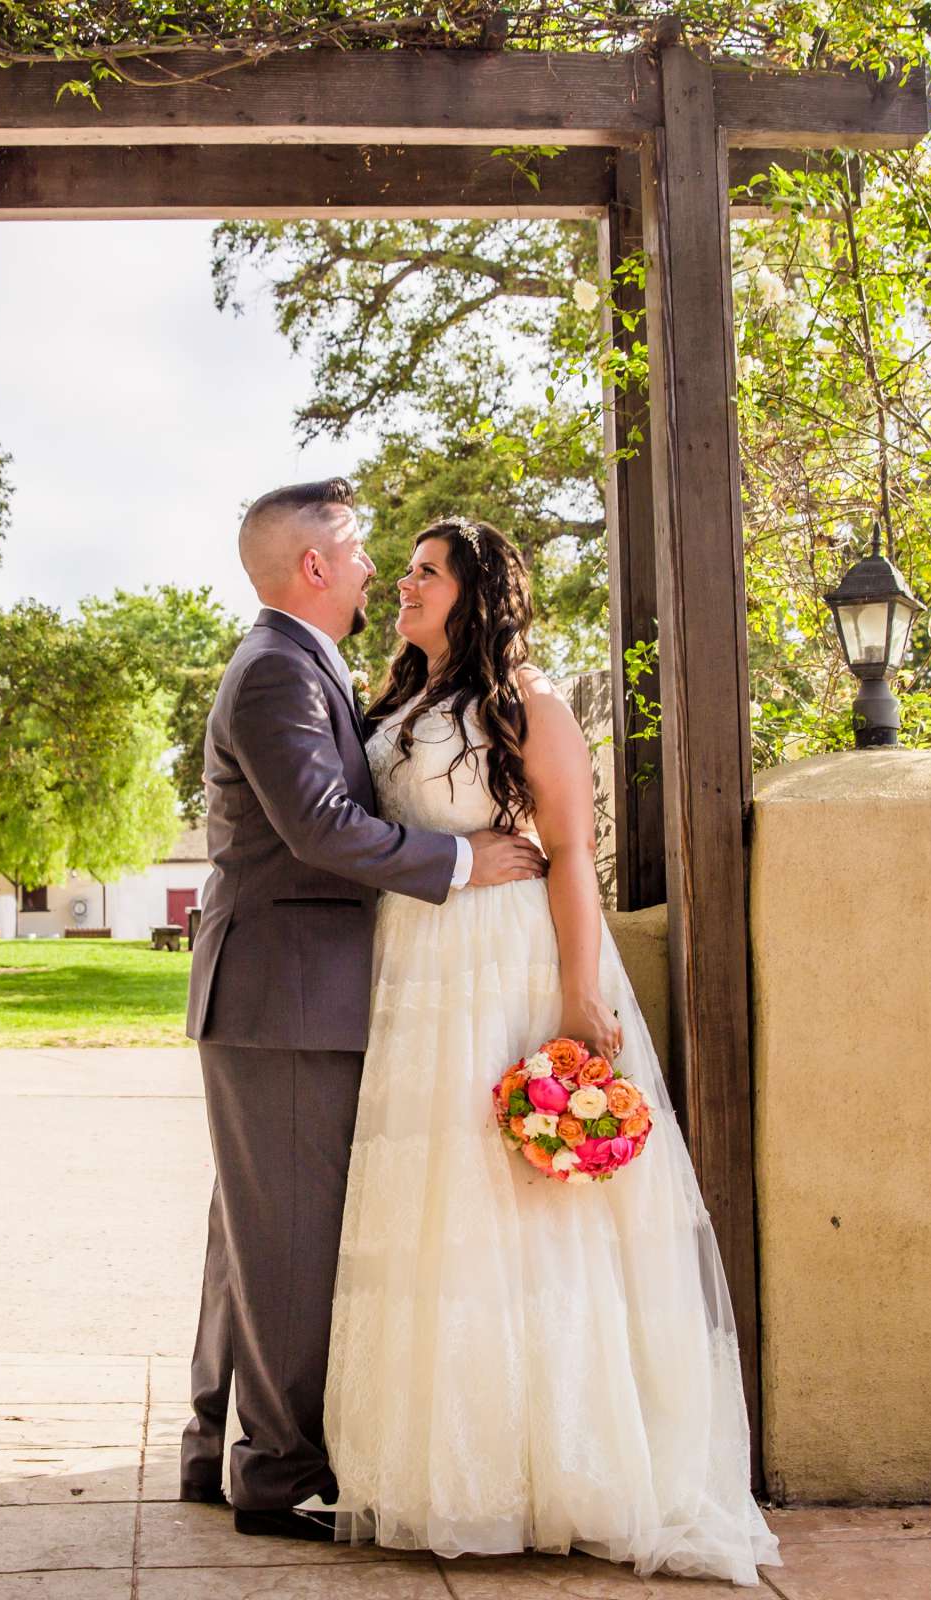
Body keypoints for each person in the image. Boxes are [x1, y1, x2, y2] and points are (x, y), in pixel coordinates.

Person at [323, 516, 779, 1583]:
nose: (405, 583)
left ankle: (562, 1470)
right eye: (404, 570)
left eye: (427, 573)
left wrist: (580, 994)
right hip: (415, 971)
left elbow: (571, 853)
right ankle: (446, 1466)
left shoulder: (529, 701)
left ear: (477, 592)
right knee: (435, 1201)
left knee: (517, 1204)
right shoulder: (395, 703)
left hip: (505, 963)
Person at [180, 479, 547, 1543]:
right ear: (311, 567)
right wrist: (460, 862)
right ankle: (280, 1475)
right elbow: (323, 829)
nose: (374, 568)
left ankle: (217, 1450)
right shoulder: (276, 675)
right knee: (288, 1244)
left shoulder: (303, 666)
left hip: (284, 995)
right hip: (286, 998)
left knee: (247, 1238)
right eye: (356, 548)